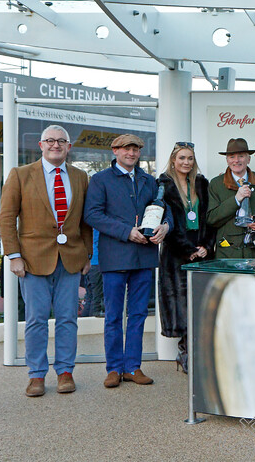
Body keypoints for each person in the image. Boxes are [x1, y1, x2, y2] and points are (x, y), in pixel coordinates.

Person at [0, 125, 92, 397]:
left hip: (71, 259)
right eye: (50, 141)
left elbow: (86, 221)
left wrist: (86, 253)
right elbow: (6, 218)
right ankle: (36, 375)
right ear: (40, 145)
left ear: (68, 147)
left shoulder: (80, 177)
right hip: (32, 260)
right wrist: (13, 256)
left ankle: (65, 372)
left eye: (61, 141)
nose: (55, 145)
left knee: (67, 319)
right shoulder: (20, 175)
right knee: (36, 320)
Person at [84, 133, 171, 389]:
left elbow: (166, 211)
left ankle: (133, 366)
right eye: (126, 149)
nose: (131, 153)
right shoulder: (100, 180)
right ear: (115, 151)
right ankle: (113, 368)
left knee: (138, 314)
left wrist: (165, 227)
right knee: (112, 315)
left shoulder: (149, 181)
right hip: (115, 257)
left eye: (135, 150)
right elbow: (92, 215)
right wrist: (126, 231)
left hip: (144, 257)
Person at [158, 142, 215, 373]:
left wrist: (207, 246)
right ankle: (185, 353)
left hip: (200, 251)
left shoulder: (202, 183)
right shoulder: (163, 184)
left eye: (190, 158)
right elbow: (163, 220)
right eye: (182, 158)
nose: (186, 162)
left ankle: (196, 352)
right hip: (175, 253)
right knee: (181, 303)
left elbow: (210, 217)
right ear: (173, 160)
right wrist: (187, 249)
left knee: (200, 303)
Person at [208, 138, 255, 258]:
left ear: (248, 159)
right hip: (228, 253)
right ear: (227, 160)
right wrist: (236, 199)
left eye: (241, 156)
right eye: (232, 157)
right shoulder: (216, 184)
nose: (236, 160)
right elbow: (211, 218)